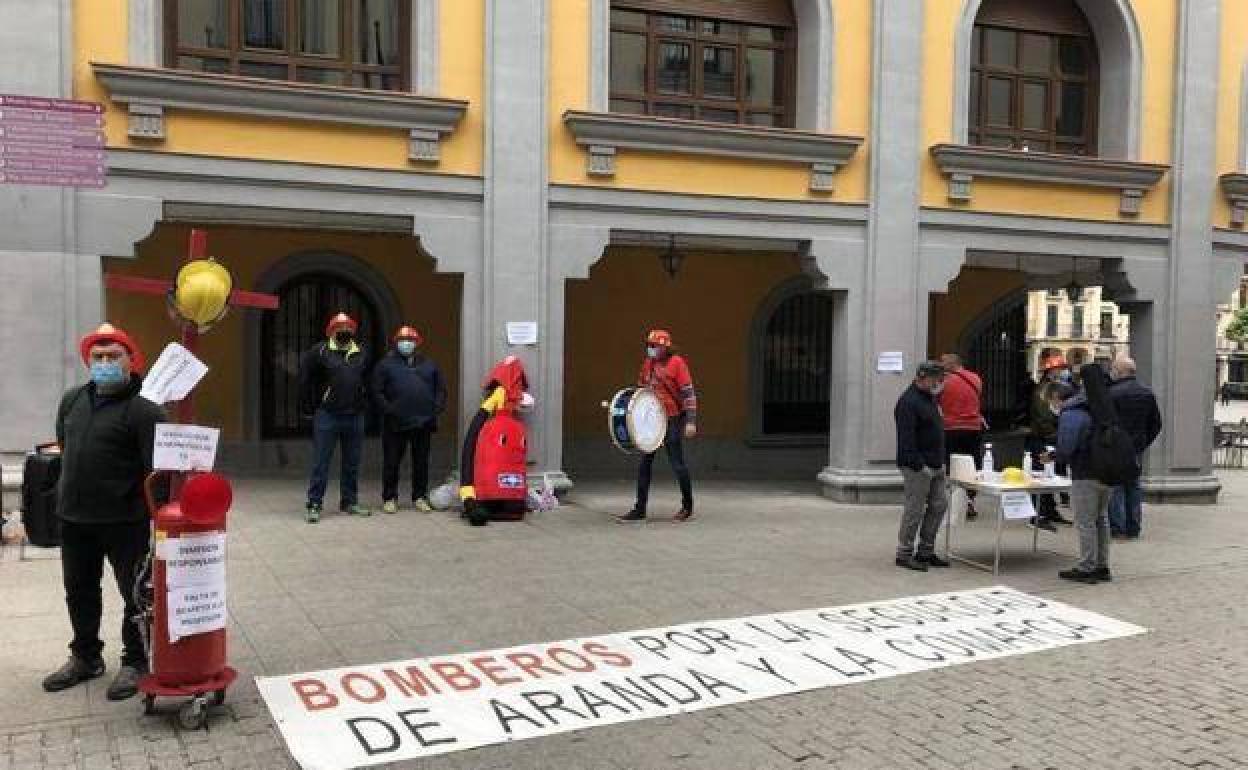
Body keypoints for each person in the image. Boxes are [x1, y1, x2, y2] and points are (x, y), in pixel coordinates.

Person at [43, 324, 167, 700]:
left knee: (134, 595)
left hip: (124, 522)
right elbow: (65, 446)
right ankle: (85, 657)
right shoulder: (72, 400)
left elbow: (158, 471)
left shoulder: (145, 410)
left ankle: (136, 660)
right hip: (75, 519)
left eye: (114, 356)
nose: (105, 362)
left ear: (132, 360)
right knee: (78, 591)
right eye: (98, 357)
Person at [1046, 363, 1121, 584]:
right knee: (1101, 519)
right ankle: (1101, 565)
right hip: (1107, 470)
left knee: (1085, 521)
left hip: (1085, 472)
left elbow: (1067, 446)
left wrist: (1055, 456)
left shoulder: (1073, 411)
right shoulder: (1104, 406)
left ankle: (1087, 566)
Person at [618, 330, 697, 522]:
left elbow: (688, 394)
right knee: (645, 463)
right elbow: (641, 391)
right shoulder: (648, 364)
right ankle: (640, 508)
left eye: (654, 346)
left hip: (672, 418)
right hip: (652, 421)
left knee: (677, 463)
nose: (650, 349)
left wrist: (691, 421)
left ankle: (687, 506)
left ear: (665, 347)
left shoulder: (677, 363)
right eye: (649, 345)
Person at [300, 312, 370, 522]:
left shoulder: (362, 352)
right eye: (339, 328)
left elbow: (368, 381)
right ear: (331, 331)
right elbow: (305, 380)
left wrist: (365, 404)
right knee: (321, 462)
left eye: (348, 328)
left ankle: (349, 501)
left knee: (352, 462)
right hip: (327, 415)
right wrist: (308, 408)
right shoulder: (319, 352)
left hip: (355, 416)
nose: (344, 332)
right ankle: (314, 503)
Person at [372, 325, 447, 514]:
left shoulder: (429, 365)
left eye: (410, 340)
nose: (406, 344)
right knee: (392, 462)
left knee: (421, 462)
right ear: (396, 343)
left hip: (423, 422)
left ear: (417, 343)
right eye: (402, 340)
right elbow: (376, 391)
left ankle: (419, 497)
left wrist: (435, 408)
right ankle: (390, 498)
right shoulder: (385, 365)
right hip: (395, 423)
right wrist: (389, 410)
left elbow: (440, 390)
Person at [459, 355, 534, 526]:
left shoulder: (499, 426)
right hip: (509, 502)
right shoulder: (511, 426)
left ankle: (484, 503)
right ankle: (481, 502)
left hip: (492, 499)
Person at [894, 361, 950, 571]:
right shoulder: (908, 402)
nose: (940, 383)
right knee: (914, 510)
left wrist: (940, 462)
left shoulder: (930, 399)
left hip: (935, 464)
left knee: (939, 505)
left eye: (941, 379)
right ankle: (904, 554)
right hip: (918, 467)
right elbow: (906, 440)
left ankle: (925, 551)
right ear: (922, 377)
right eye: (936, 379)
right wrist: (920, 466)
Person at [1107, 355, 1162, 539]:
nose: (1111, 372)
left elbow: (1105, 423)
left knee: (1116, 487)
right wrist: (1142, 443)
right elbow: (1156, 424)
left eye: (1113, 369)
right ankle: (1134, 527)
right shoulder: (1147, 393)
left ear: (1120, 372)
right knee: (1133, 486)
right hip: (1136, 449)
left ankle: (1118, 527)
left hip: (1115, 448)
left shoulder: (1111, 393)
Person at [1028, 355, 1074, 530]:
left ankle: (1050, 510)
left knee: (1051, 477)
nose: (1062, 372)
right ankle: (1037, 514)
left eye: (1063, 369)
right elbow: (1043, 419)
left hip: (1051, 438)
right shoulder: (1043, 392)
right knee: (1040, 477)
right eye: (1059, 369)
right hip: (1042, 439)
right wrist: (1056, 436)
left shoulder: (1058, 389)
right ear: (1050, 371)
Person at [939, 353, 985, 520]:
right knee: (972, 465)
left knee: (953, 466)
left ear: (952, 363)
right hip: (973, 428)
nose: (941, 364)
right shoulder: (976, 379)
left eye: (943, 361)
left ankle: (954, 501)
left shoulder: (944, 381)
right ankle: (970, 501)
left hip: (951, 428)